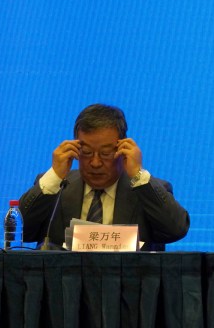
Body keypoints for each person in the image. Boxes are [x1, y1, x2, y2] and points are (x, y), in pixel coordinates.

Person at [19, 103, 190, 251]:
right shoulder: (55, 188)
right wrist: (55, 175)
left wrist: (138, 174)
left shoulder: (145, 190)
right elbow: (20, 232)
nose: (95, 162)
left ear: (122, 149)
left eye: (106, 153)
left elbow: (176, 229)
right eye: (86, 152)